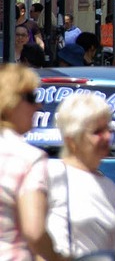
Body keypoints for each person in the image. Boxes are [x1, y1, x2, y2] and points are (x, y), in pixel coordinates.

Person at [0, 64, 66, 261]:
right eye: (31, 97)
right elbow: (34, 232)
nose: (38, 106)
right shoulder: (28, 158)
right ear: (10, 102)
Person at [46, 93, 115, 259]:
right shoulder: (51, 174)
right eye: (97, 131)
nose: (107, 137)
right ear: (72, 140)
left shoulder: (110, 187)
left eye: (108, 129)